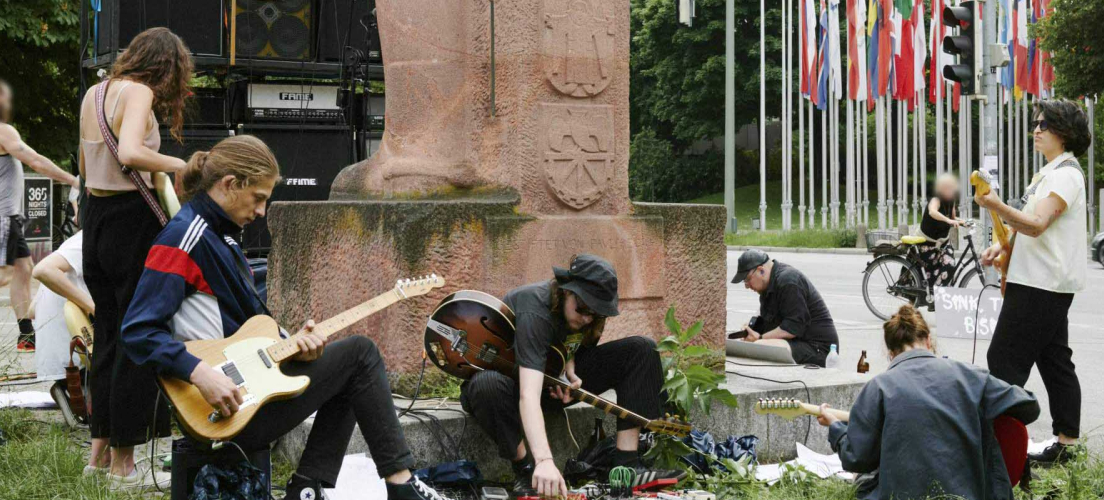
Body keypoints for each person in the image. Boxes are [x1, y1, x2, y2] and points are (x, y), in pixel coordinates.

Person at [121, 136, 458, 500]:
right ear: (230, 185)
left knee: (349, 366)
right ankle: (400, 487)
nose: (262, 211)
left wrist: (294, 347)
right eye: (258, 198)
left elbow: (246, 329)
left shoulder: (225, 239)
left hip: (252, 392)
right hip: (224, 408)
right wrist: (200, 373)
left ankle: (308, 491)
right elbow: (138, 331)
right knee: (360, 355)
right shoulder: (183, 238)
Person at [459, 254, 684, 497]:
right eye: (584, 309)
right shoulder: (534, 309)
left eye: (596, 313)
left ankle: (627, 465)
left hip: (550, 384)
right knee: (487, 385)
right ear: (567, 291)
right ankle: (526, 472)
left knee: (641, 349)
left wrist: (568, 367)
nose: (588, 318)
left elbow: (569, 342)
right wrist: (545, 460)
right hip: (508, 392)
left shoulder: (586, 317)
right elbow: (528, 394)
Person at [77, 27, 192, 488]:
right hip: (130, 220)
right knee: (137, 336)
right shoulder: (139, 91)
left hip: (96, 216)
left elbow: (85, 168)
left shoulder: (95, 91)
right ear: (166, 66)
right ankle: (125, 465)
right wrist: (181, 165)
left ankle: (98, 455)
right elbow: (130, 152)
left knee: (105, 334)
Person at [816, 305, 1040, 500]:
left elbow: (856, 458)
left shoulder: (878, 387)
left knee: (865, 477)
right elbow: (1028, 405)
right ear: (929, 341)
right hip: (969, 493)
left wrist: (836, 428)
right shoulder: (971, 376)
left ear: (891, 354)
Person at [974, 98, 1091, 466]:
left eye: (1045, 124)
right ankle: (1066, 443)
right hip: (1041, 281)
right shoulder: (1048, 173)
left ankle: (1004, 452)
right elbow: (1028, 226)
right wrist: (1002, 245)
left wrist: (993, 205)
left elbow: (1039, 224)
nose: (1036, 130)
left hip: (1042, 284)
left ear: (1065, 133)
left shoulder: (1065, 175)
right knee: (1055, 360)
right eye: (1036, 123)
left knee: (1004, 362)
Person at [0, 74, 80, 353]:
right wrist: (72, 180)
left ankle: (26, 335)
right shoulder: (0, 131)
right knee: (2, 274)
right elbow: (34, 160)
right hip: (1, 214)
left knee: (25, 269)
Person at [731, 249, 840, 366]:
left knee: (761, 346)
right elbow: (768, 322)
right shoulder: (767, 287)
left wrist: (760, 337)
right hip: (798, 341)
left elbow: (793, 327)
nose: (747, 286)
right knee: (754, 345)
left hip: (818, 348)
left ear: (761, 271)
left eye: (747, 279)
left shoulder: (788, 280)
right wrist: (751, 331)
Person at [31, 229, 93, 389]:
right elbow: (43, 270)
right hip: (77, 362)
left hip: (60, 366)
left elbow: (31, 310)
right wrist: (94, 309)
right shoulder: (83, 241)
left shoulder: (69, 246)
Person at [919, 174, 964, 285]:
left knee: (950, 265)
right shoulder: (936, 199)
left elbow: (952, 217)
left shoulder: (951, 200)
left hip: (942, 243)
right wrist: (948, 221)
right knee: (924, 273)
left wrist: (963, 222)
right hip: (927, 243)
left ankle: (939, 293)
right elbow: (932, 211)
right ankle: (936, 293)